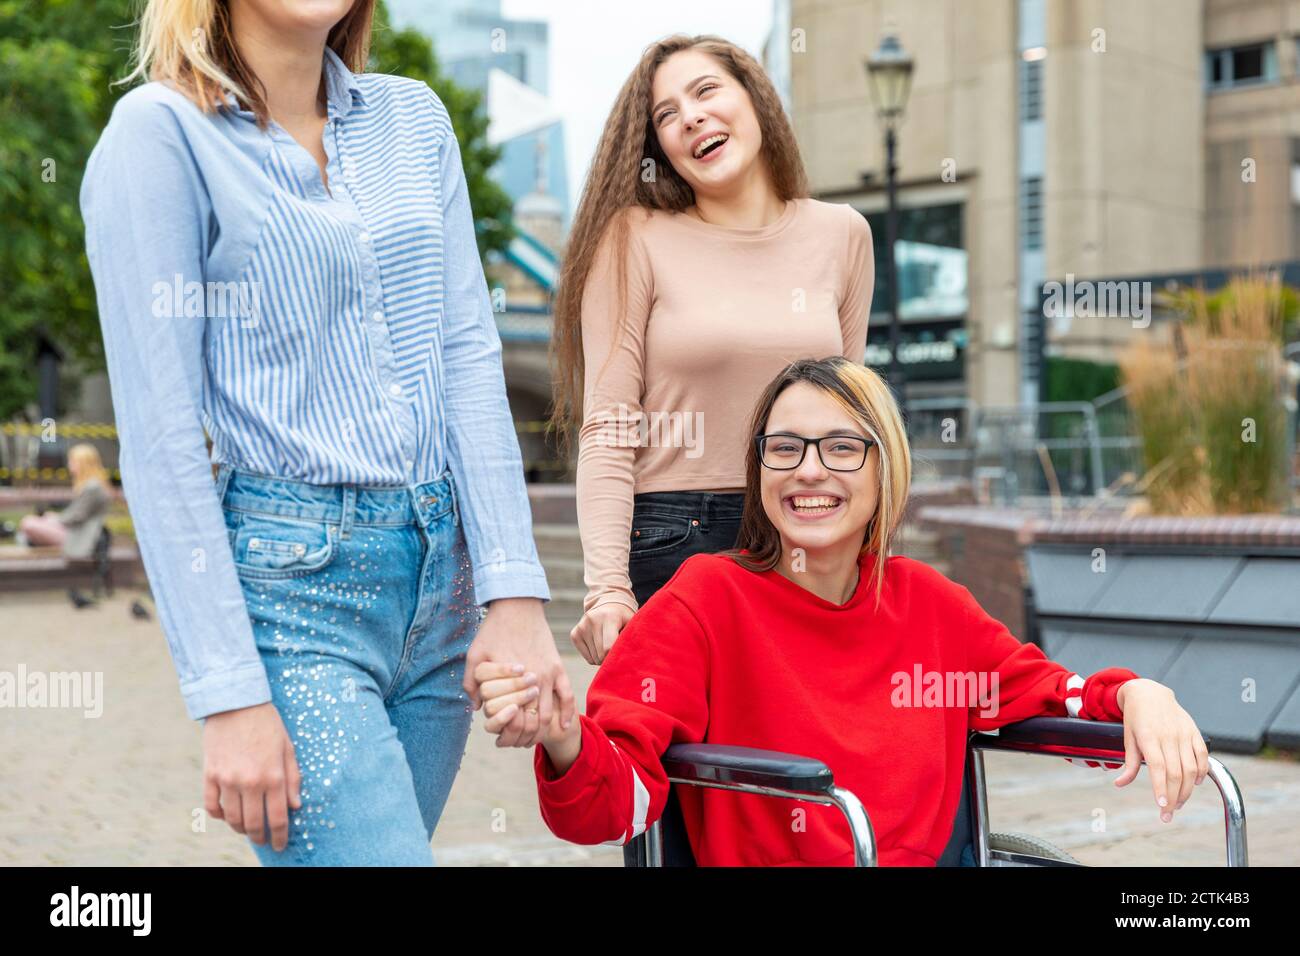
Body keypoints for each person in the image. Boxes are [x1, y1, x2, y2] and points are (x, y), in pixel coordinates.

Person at [79, 0, 571, 865]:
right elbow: (160, 440)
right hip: (292, 596)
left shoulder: (414, 118)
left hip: (442, 590)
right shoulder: (159, 136)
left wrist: (516, 597)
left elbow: (465, 356)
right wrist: (229, 696)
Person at [475, 357, 1210, 866]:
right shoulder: (705, 599)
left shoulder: (930, 605)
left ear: (883, 464)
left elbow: (1051, 694)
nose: (810, 470)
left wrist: (1140, 693)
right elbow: (612, 806)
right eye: (785, 448)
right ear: (758, 467)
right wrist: (566, 736)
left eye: (841, 448)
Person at [549, 34, 874, 669]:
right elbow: (610, 426)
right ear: (660, 149)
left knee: (809, 756)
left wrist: (866, 549)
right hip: (678, 536)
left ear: (755, 99)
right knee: (700, 761)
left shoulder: (842, 234)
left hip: (809, 523)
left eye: (704, 91)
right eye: (666, 115)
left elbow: (852, 422)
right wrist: (608, 588)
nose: (689, 116)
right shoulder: (633, 238)